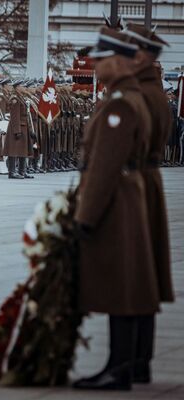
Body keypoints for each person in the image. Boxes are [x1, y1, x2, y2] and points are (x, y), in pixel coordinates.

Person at [72, 27, 158, 391]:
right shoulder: (131, 95)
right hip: (128, 194)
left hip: (117, 200)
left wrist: (85, 217)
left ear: (120, 62)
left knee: (120, 286)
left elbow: (105, 165)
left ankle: (119, 366)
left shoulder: (121, 103)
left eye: (102, 59)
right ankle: (121, 363)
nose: (95, 64)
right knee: (126, 283)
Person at [121, 23, 175, 383]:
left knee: (132, 279)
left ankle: (127, 362)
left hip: (136, 183)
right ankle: (139, 360)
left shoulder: (139, 93)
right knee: (145, 278)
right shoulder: (155, 90)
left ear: (140, 55)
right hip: (148, 182)